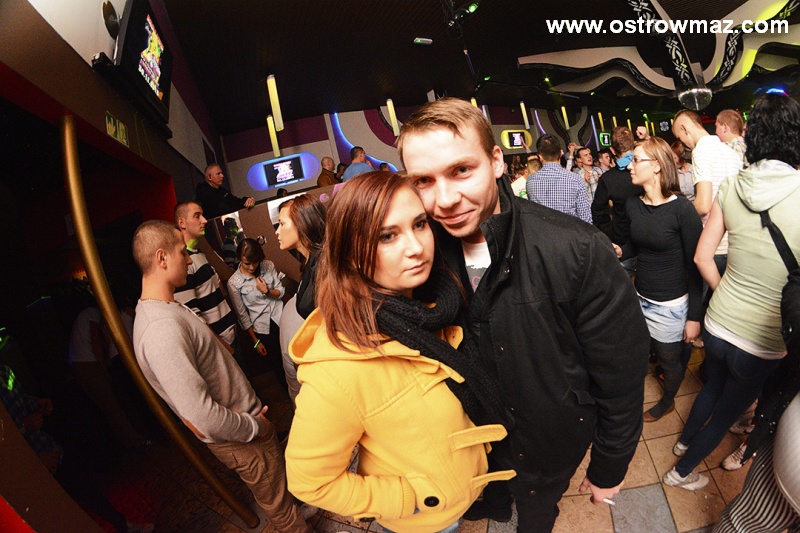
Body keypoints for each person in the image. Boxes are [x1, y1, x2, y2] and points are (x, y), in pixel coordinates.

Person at [397, 97, 649, 532]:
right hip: (473, 447)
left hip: (548, 446)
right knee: (491, 497)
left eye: (462, 170)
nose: (445, 200)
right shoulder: (422, 256)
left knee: (536, 515)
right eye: (424, 180)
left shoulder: (577, 249)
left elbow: (621, 377)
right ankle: (494, 503)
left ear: (496, 161)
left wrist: (609, 466)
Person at [285, 172, 515, 533]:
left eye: (419, 224)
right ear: (351, 254)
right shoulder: (337, 369)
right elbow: (309, 481)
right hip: (426, 520)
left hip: (470, 492)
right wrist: (412, 498)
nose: (416, 247)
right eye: (387, 236)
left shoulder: (438, 302)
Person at [131, 220, 310, 532]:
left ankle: (296, 512)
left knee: (280, 492)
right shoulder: (159, 330)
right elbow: (203, 417)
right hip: (243, 435)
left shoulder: (168, 309)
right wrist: (257, 427)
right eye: (182, 253)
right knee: (281, 512)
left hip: (247, 424)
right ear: (161, 258)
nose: (189, 261)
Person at [666, 93, 800, 491]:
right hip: (762, 337)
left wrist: (726, 293)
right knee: (727, 412)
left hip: (718, 320)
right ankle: (680, 473)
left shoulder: (732, 186)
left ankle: (682, 443)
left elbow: (703, 256)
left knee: (712, 388)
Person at [0, 362, 154, 533]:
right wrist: (30, 446)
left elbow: (21, 400)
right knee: (62, 515)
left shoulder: (4, 369)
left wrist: (38, 403)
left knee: (88, 491)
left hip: (48, 448)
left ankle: (124, 526)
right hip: (32, 466)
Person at [618, 138, 703, 423]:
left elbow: (695, 267)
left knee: (670, 361)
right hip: (640, 296)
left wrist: (694, 317)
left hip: (670, 306)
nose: (629, 166)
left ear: (656, 166)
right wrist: (620, 251)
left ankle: (667, 402)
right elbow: (636, 245)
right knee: (640, 351)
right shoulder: (633, 204)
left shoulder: (682, 210)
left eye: (635, 160)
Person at [173, 202, 244, 374]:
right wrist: (223, 347)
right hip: (221, 347)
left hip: (231, 338)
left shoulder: (199, 254)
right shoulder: (182, 263)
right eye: (197, 216)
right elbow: (192, 315)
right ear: (182, 222)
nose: (204, 220)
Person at [275, 194, 326, 404]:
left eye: (281, 224)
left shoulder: (324, 266)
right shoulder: (310, 261)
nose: (277, 231)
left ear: (301, 224)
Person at [227, 238, 287, 389]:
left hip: (281, 317)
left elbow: (281, 292)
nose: (252, 267)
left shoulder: (268, 265)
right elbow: (243, 316)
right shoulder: (234, 283)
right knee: (278, 364)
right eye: (247, 263)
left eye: (255, 262)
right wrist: (256, 342)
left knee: (293, 355)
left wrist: (267, 291)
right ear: (239, 259)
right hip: (263, 328)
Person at [592, 126, 644, 279]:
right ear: (633, 144)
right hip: (650, 240)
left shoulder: (608, 179)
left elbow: (598, 213)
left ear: (612, 150)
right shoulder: (647, 169)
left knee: (623, 289)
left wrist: (612, 235)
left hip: (622, 241)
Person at [526, 135, 592, 223]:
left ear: (540, 157)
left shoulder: (530, 181)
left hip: (543, 231)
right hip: (571, 230)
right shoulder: (576, 179)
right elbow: (586, 218)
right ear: (561, 153)